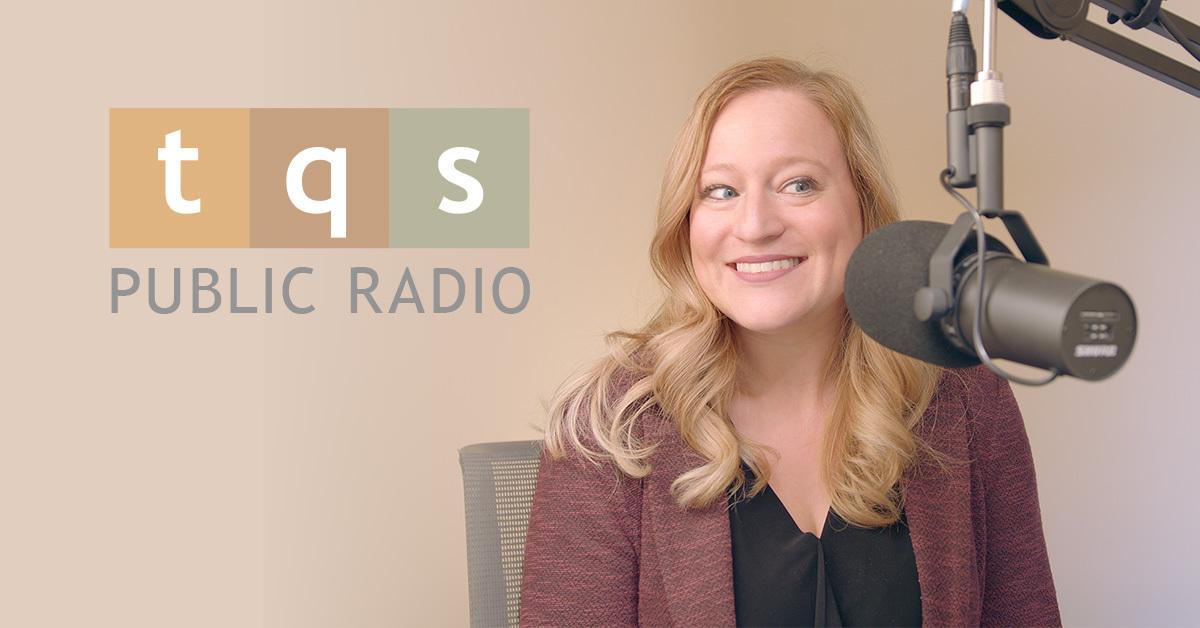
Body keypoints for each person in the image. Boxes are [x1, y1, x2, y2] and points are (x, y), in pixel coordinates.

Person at [520, 56, 1060, 627]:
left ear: (863, 206)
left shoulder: (966, 398)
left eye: (798, 185)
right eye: (721, 191)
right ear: (686, 223)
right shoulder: (609, 427)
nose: (755, 225)